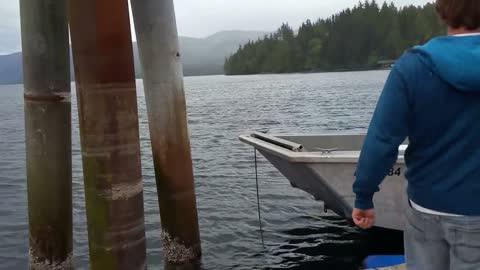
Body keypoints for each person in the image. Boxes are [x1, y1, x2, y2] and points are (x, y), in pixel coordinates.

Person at [351, 0, 480, 269]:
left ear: (442, 11)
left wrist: (363, 197)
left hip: (425, 209)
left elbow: (381, 141)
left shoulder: (411, 67)